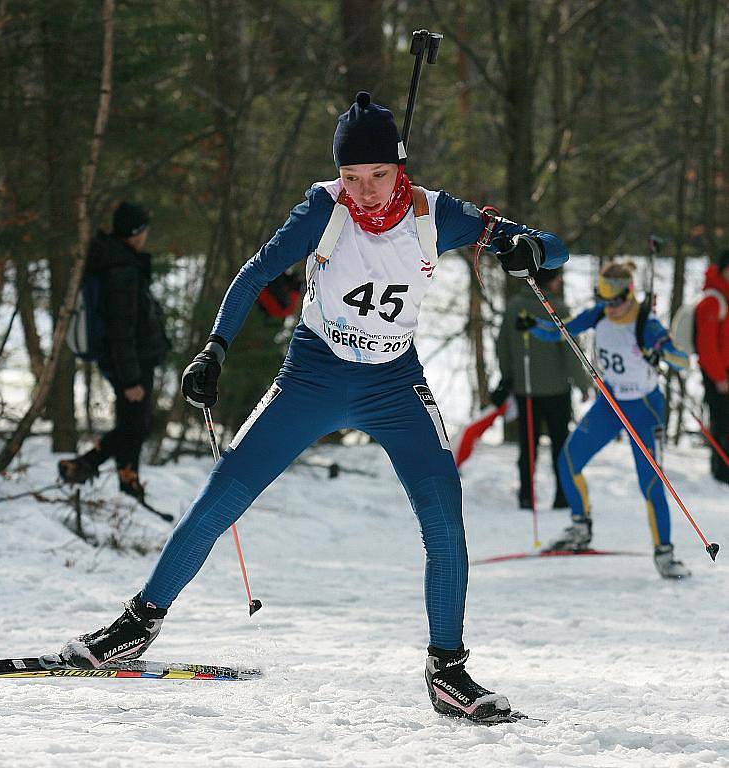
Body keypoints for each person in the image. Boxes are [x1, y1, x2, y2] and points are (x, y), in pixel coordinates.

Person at [60, 92, 568, 723]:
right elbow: (253, 273)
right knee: (222, 497)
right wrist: (214, 349)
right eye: (352, 177)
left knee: (444, 521)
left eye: (378, 175)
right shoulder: (322, 209)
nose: (366, 191)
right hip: (313, 377)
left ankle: (448, 672)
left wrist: (529, 251)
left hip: (393, 384)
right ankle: (136, 626)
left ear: (399, 167)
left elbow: (553, 245)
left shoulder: (438, 214)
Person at [521, 261, 690, 578]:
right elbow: (560, 333)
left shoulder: (646, 323)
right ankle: (580, 527)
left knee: (650, 482)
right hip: (610, 404)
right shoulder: (597, 313)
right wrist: (531, 325)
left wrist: (660, 354)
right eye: (604, 299)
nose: (609, 308)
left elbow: (682, 362)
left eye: (615, 301)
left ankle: (665, 554)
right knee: (568, 461)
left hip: (644, 407)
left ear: (629, 293)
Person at [58, 202, 170, 503]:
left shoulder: (120, 263)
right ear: (135, 233)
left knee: (132, 425)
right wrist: (131, 379)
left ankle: (127, 480)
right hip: (131, 362)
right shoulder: (122, 271)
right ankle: (83, 465)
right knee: (135, 426)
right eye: (143, 229)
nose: (146, 235)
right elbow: (122, 331)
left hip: (130, 359)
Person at [497, 268, 588, 509]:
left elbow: (502, 346)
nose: (560, 282)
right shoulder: (558, 308)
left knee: (528, 445)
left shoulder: (514, 306)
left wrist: (508, 377)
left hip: (525, 389)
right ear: (549, 280)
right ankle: (563, 495)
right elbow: (571, 351)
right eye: (557, 277)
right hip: (556, 390)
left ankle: (526, 495)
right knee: (561, 445)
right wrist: (582, 383)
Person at [695, 249, 729, 484]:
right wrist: (719, 377)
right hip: (717, 373)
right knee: (722, 424)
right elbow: (706, 346)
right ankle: (722, 472)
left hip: (723, 371)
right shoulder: (713, 299)